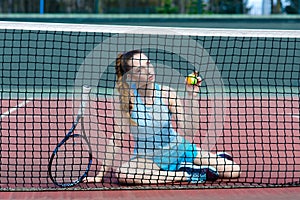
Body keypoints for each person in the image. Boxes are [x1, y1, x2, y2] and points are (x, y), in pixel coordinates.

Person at [84, 50, 240, 184]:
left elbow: (188, 130)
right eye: (139, 70)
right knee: (125, 175)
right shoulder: (125, 99)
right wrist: (99, 176)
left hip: (179, 149)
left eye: (148, 64)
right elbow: (117, 138)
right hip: (147, 158)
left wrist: (192, 97)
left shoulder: (167, 93)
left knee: (233, 171)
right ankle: (188, 174)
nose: (148, 70)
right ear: (130, 77)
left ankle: (212, 159)